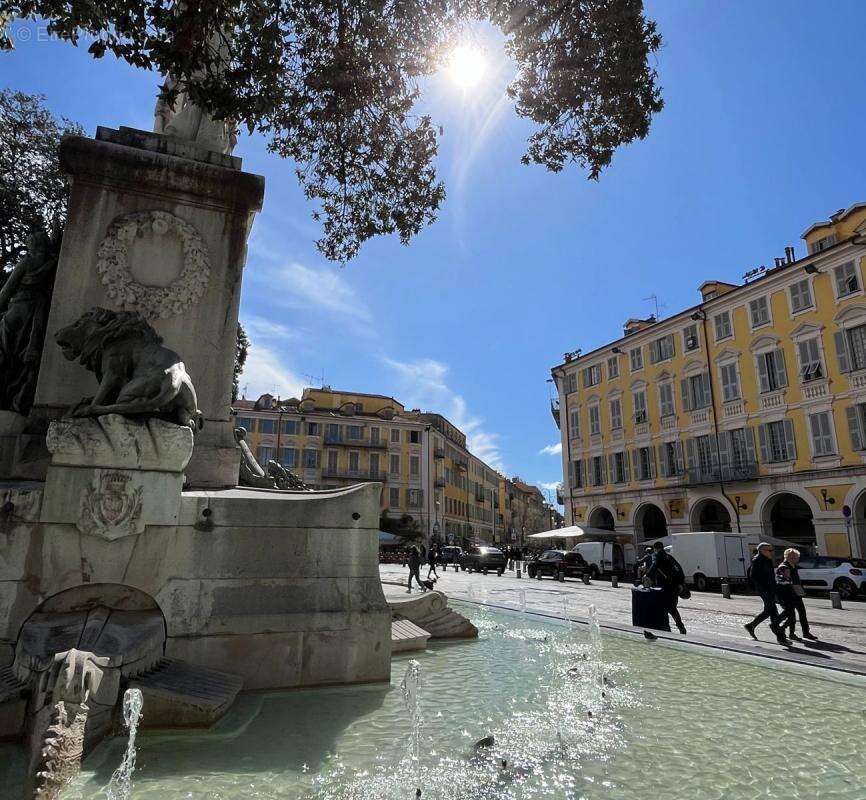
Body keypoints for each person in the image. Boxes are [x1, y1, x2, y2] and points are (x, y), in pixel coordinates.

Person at [745, 543, 789, 645]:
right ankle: (781, 637)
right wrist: (763, 589)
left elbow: (770, 576)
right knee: (772, 611)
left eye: (772, 550)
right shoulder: (757, 561)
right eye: (769, 550)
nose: (772, 552)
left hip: (769, 589)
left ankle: (751, 626)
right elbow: (754, 577)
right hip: (764, 590)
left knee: (771, 611)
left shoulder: (767, 560)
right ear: (762, 551)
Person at [646, 541, 687, 634]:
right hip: (675, 586)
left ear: (655, 549)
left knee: (666, 607)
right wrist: (681, 583)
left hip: (667, 586)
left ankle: (664, 627)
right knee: (672, 607)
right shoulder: (669, 557)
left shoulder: (658, 556)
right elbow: (679, 569)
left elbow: (654, 566)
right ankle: (680, 627)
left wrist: (646, 575)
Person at [781, 548, 817, 641]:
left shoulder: (793, 566)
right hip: (789, 595)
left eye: (796, 557)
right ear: (787, 557)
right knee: (791, 615)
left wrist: (800, 590)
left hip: (796, 593)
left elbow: (796, 581)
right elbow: (785, 582)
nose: (796, 558)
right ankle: (785, 630)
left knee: (802, 614)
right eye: (793, 557)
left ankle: (805, 632)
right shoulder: (785, 566)